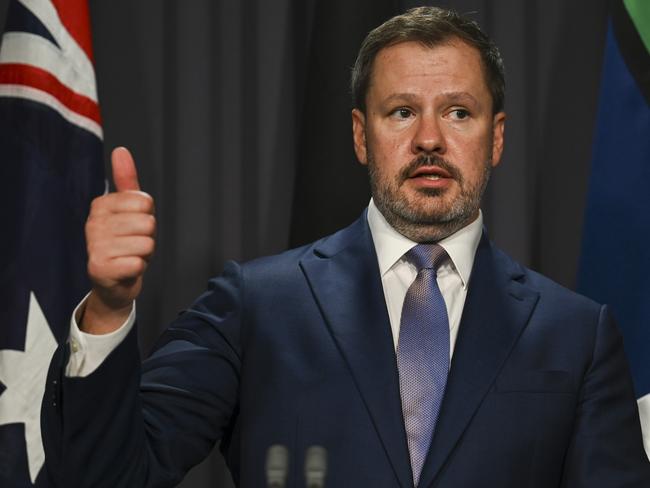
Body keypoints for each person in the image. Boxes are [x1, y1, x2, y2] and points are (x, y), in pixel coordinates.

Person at [42, 6, 650, 487]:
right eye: (402, 111)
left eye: (459, 113)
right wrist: (109, 309)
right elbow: (107, 477)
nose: (430, 139)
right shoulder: (254, 306)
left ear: (496, 138)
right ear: (362, 136)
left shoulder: (578, 335)